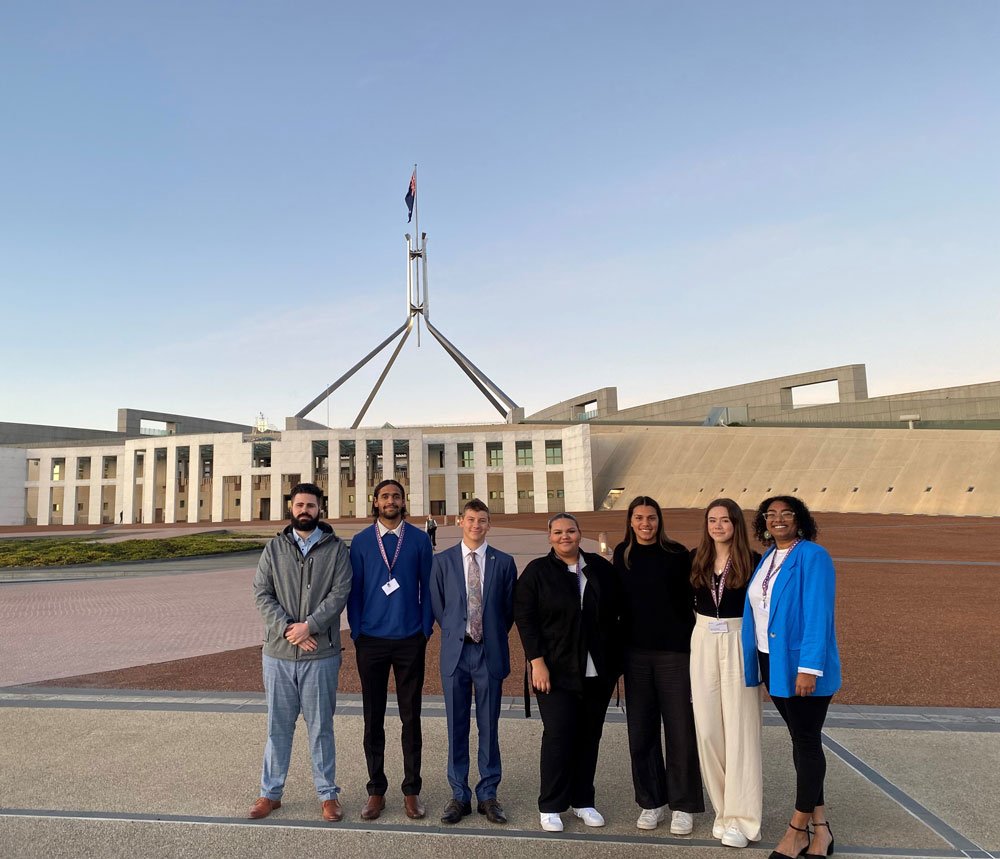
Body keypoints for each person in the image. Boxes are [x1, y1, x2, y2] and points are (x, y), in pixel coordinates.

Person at [742, 496, 840, 859]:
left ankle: (797, 830)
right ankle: (822, 830)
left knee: (807, 742)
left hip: (801, 667)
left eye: (787, 514)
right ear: (764, 523)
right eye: (772, 514)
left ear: (800, 520)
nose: (779, 519)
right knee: (801, 742)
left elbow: (819, 615)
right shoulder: (768, 557)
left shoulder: (814, 556)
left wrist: (809, 669)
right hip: (773, 663)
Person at [248, 482, 352, 822]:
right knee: (278, 726)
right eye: (299, 505)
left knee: (320, 727)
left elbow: (340, 594)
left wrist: (310, 626)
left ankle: (327, 795)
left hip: (320, 655)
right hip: (278, 654)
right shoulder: (274, 549)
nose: (304, 510)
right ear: (290, 509)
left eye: (310, 505)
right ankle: (270, 794)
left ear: (320, 509)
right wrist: (289, 630)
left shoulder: (336, 549)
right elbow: (262, 593)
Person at [514, 512, 623, 833]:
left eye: (571, 531)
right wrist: (537, 662)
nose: (565, 537)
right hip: (554, 670)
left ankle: (583, 800)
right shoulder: (537, 572)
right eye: (558, 532)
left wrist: (614, 664)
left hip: (596, 670)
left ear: (580, 533)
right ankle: (551, 804)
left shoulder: (599, 568)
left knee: (590, 735)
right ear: (549, 537)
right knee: (560, 734)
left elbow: (618, 613)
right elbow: (525, 618)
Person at [613, 496, 704, 835]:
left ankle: (683, 805)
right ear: (631, 521)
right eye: (639, 518)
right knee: (641, 732)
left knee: (680, 731)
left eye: (651, 518)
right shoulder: (622, 556)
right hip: (636, 656)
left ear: (659, 520)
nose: (645, 524)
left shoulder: (678, 555)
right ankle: (652, 802)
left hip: (674, 654)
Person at [347, 479, 434, 821]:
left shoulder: (418, 540)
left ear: (403, 502)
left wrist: (425, 629)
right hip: (371, 641)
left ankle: (412, 790)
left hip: (410, 639)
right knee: (374, 717)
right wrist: (357, 630)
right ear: (375, 502)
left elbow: (428, 587)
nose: (391, 501)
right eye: (385, 496)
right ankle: (376, 790)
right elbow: (354, 591)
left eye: (396, 496)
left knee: (411, 716)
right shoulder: (361, 542)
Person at [430, 498, 517, 825]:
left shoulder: (504, 562)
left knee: (489, 725)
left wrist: (488, 634)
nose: (476, 525)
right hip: (456, 653)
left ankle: (488, 793)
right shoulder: (443, 562)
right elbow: (439, 607)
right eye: (470, 519)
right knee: (456, 725)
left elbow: (508, 610)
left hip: (488, 652)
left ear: (488, 524)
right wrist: (459, 631)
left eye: (482, 520)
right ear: (459, 521)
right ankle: (459, 794)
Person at [689, 498, 763, 849]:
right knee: (708, 731)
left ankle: (743, 819)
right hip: (703, 638)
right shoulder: (696, 559)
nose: (718, 526)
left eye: (725, 520)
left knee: (740, 730)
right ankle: (723, 811)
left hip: (738, 640)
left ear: (736, 524)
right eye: (712, 520)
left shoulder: (754, 562)